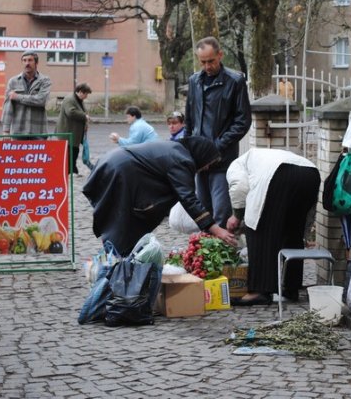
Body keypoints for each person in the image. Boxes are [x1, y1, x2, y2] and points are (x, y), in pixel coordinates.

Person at [82, 136, 236, 256]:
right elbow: (188, 198)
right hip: (119, 172)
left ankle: (118, 261)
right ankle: (115, 269)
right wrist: (216, 229)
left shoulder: (176, 150)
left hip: (113, 164)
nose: (207, 168)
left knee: (123, 222)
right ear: (202, 155)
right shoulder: (183, 160)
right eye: (209, 163)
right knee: (121, 223)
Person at [225, 148, 320, 306]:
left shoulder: (235, 165)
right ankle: (291, 287)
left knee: (258, 230)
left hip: (279, 174)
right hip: (310, 173)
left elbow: (240, 188)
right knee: (293, 231)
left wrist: (237, 215)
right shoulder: (260, 156)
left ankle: (261, 291)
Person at [184, 36, 251, 227]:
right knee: (203, 213)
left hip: (222, 159)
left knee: (221, 213)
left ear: (220, 55)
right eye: (203, 62)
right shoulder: (194, 81)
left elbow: (242, 121)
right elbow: (189, 119)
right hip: (199, 161)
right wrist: (188, 149)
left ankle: (222, 252)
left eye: (211, 61)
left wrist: (215, 148)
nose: (207, 66)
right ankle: (204, 253)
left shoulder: (235, 81)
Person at [1, 51, 51, 138]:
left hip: (38, 132)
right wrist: (6, 130)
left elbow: (41, 100)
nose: (27, 63)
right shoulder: (13, 82)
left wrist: (17, 97)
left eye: (30, 60)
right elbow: (7, 107)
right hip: (18, 132)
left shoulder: (45, 81)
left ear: (36, 62)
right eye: (24, 60)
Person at [55, 83, 92, 174]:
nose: (86, 96)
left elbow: (82, 111)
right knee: (70, 152)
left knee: (75, 150)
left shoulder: (78, 100)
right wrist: (85, 116)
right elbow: (70, 112)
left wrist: (86, 123)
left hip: (75, 131)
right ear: (80, 92)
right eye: (86, 94)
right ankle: (69, 170)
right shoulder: (70, 99)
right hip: (67, 131)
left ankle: (72, 169)